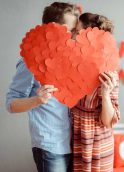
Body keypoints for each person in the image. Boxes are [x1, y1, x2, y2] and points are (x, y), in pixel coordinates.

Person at [5, 2, 80, 172]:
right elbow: (11, 104)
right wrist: (37, 100)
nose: (75, 35)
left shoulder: (71, 59)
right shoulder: (30, 61)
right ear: (53, 29)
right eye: (71, 30)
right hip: (50, 147)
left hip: (75, 145)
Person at [72, 13, 120, 172]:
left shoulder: (108, 71)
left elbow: (108, 121)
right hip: (74, 138)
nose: (73, 35)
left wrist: (105, 94)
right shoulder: (72, 64)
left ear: (89, 36)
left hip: (98, 144)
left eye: (77, 31)